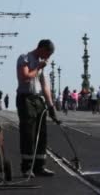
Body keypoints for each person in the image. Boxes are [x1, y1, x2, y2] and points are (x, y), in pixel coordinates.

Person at [16, 39, 59, 177]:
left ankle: (40, 166)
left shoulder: (42, 63)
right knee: (28, 133)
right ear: (41, 48)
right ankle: (27, 167)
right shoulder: (25, 58)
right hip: (25, 99)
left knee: (42, 133)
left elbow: (45, 86)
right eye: (48, 53)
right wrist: (38, 67)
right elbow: (24, 77)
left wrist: (51, 106)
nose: (48, 57)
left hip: (38, 99)